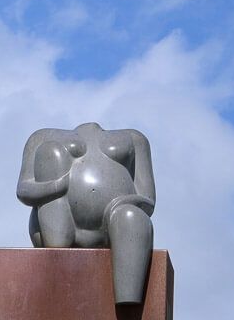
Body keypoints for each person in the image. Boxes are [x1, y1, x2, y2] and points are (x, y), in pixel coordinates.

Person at [16, 122, 155, 304]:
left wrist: (120, 203)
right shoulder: (41, 137)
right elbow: (23, 189)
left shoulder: (135, 138)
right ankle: (57, 268)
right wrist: (57, 186)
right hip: (59, 218)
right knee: (50, 153)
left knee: (131, 217)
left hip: (114, 221)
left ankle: (127, 304)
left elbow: (148, 199)